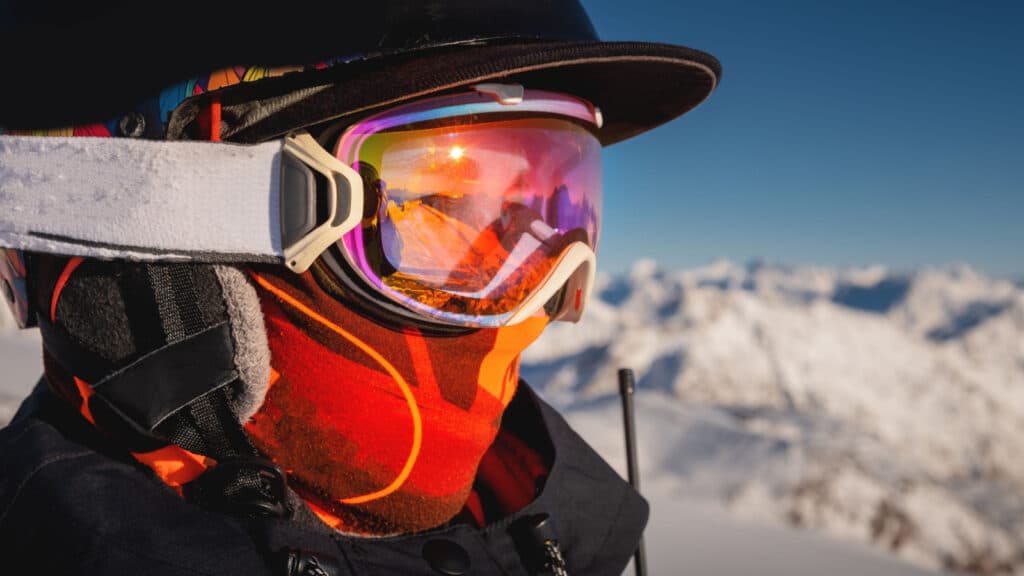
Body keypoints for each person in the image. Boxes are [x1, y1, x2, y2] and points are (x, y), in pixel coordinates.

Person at [0, 0, 720, 574]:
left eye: (556, 216)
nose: (539, 311)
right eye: (435, 205)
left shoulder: (548, 523)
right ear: (148, 230)